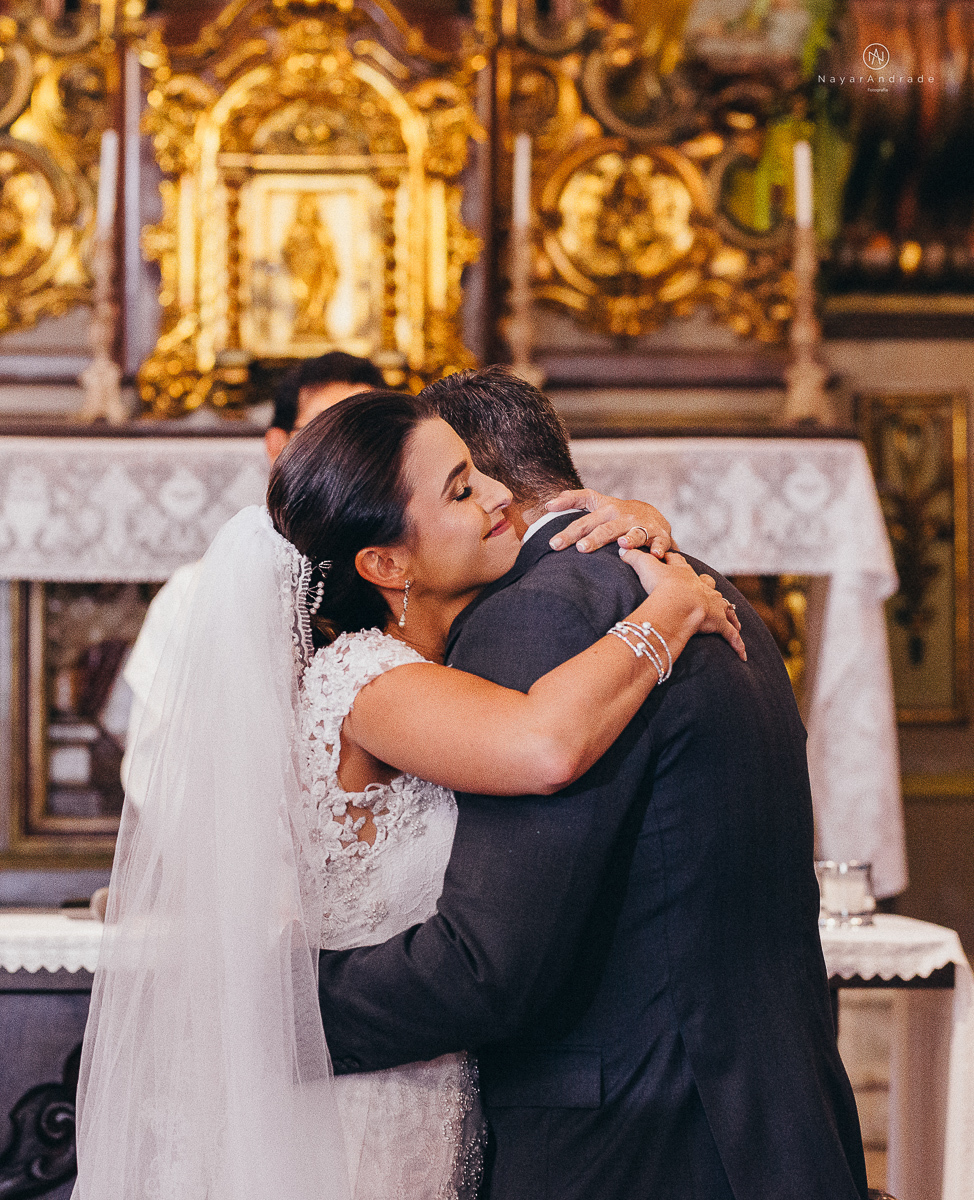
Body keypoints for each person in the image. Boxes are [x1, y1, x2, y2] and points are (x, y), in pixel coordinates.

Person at [73, 389, 742, 1200]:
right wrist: (670, 610)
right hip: (363, 1111)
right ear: (386, 565)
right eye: (463, 489)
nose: (500, 496)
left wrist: (631, 522)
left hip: (425, 1090)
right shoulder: (368, 680)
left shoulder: (438, 670)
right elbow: (546, 745)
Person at [314, 367, 870, 1200]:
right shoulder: (697, 583)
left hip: (633, 1144)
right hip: (773, 1119)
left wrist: (284, 1014)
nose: (489, 495)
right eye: (462, 487)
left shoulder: (537, 613)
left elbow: (492, 962)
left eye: (477, 477)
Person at [120, 351, 387, 806]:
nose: (352, 456)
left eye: (369, 436)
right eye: (326, 432)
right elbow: (154, 773)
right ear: (278, 446)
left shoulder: (411, 571)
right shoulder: (195, 594)